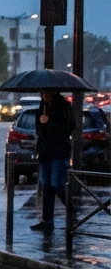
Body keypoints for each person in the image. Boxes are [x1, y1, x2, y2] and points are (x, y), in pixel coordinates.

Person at [31, 89, 76, 233]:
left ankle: (71, 209)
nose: (44, 95)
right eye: (42, 93)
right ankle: (47, 220)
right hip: (45, 152)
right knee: (46, 186)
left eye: (46, 92)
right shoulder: (42, 106)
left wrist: (51, 122)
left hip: (59, 151)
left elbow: (70, 127)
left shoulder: (63, 106)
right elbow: (39, 130)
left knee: (56, 183)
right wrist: (42, 123)